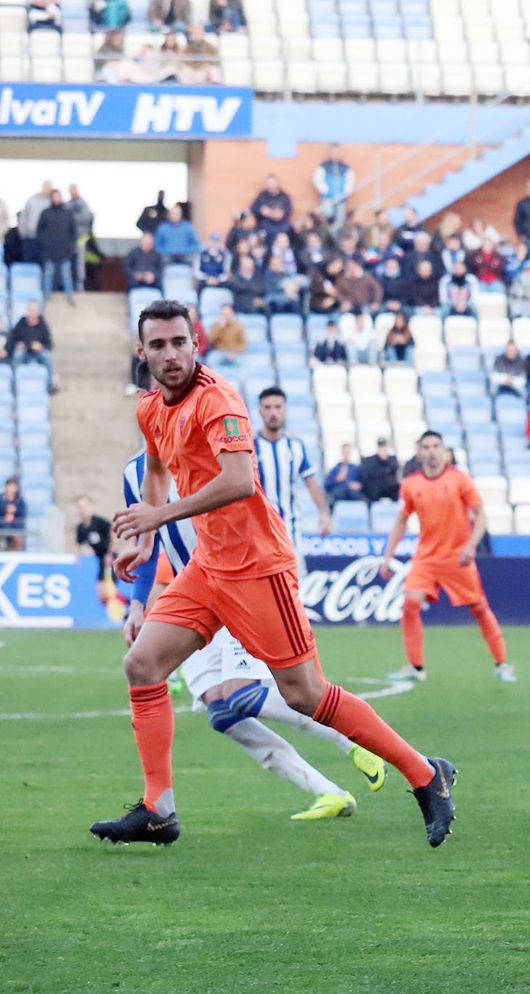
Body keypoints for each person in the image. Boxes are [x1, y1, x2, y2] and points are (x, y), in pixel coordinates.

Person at [100, 301, 453, 847]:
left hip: (258, 568)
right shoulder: (150, 408)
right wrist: (146, 542)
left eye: (179, 342)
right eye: (158, 345)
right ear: (141, 352)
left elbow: (240, 479)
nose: (170, 354)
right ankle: (158, 809)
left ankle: (426, 774)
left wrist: (160, 515)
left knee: (305, 694)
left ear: (196, 344)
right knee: (142, 664)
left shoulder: (217, 399)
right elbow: (155, 467)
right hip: (208, 567)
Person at [121, 447, 385, 821]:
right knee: (222, 713)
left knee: (244, 694)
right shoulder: (134, 474)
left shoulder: (210, 456)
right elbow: (146, 546)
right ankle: (329, 792)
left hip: (238, 583)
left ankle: (354, 740)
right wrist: (136, 605)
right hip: (193, 601)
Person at [378, 431, 515, 685]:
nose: (431, 451)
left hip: (457, 557)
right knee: (409, 605)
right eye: (426, 447)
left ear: (444, 451)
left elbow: (480, 515)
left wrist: (471, 546)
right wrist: (387, 556)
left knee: (479, 608)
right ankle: (416, 666)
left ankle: (502, 662)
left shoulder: (460, 480)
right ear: (419, 453)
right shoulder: (411, 484)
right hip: (426, 558)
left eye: (436, 446)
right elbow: (401, 520)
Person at [254, 387, 332, 551]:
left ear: (285, 410)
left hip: (290, 530)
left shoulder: (296, 446)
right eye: (267, 407)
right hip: (257, 530)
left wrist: (323, 513)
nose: (273, 413)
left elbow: (311, 483)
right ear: (260, 411)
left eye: (278, 407)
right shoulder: (251, 447)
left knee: (294, 576)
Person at [37, 189, 78, 304]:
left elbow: (73, 232)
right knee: (48, 274)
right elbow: (39, 232)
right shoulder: (45, 213)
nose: (56, 199)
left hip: (65, 252)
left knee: (66, 275)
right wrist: (45, 245)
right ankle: (46, 297)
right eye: (54, 196)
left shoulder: (67, 213)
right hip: (49, 252)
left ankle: (69, 297)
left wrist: (70, 247)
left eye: (58, 196)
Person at [313, 143, 353, 228]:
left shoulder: (345, 167)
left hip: (341, 199)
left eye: (337, 152)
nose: (335, 154)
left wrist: (345, 192)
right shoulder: (324, 166)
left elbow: (350, 182)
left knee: (340, 220)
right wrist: (326, 191)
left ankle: (335, 237)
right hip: (327, 198)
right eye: (333, 152)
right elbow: (318, 180)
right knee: (327, 217)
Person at [75, 495, 113, 579]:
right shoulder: (81, 527)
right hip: (100, 558)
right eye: (80, 506)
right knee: (100, 588)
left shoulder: (99, 521)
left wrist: (110, 554)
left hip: (110, 558)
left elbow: (113, 532)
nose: (83, 508)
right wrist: (78, 556)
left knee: (108, 588)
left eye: (85, 505)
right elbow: (78, 543)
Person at [359, 437, 401, 503]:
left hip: (389, 487)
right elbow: (369, 474)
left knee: (396, 489)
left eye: (384, 446)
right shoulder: (370, 460)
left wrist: (385, 459)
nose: (383, 449)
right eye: (381, 446)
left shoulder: (392, 459)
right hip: (376, 488)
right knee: (371, 490)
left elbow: (395, 470)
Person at [1, 478, 27, 550]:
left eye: (14, 486)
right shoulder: (1, 500)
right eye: (10, 486)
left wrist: (13, 519)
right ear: (6, 486)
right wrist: (5, 519)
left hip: (16, 530)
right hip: (1, 529)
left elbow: (22, 517)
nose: (11, 489)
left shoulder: (20, 502)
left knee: (18, 538)